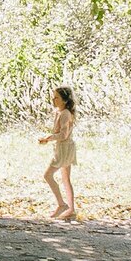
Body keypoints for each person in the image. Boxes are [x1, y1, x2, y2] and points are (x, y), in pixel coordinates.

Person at [39, 85, 78, 220]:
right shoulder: (60, 113)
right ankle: (71, 209)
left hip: (64, 148)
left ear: (65, 100)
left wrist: (48, 138)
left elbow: (63, 135)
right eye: (53, 97)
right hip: (64, 147)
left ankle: (62, 204)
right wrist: (48, 138)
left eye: (57, 98)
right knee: (66, 179)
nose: (53, 100)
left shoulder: (65, 114)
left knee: (48, 175)